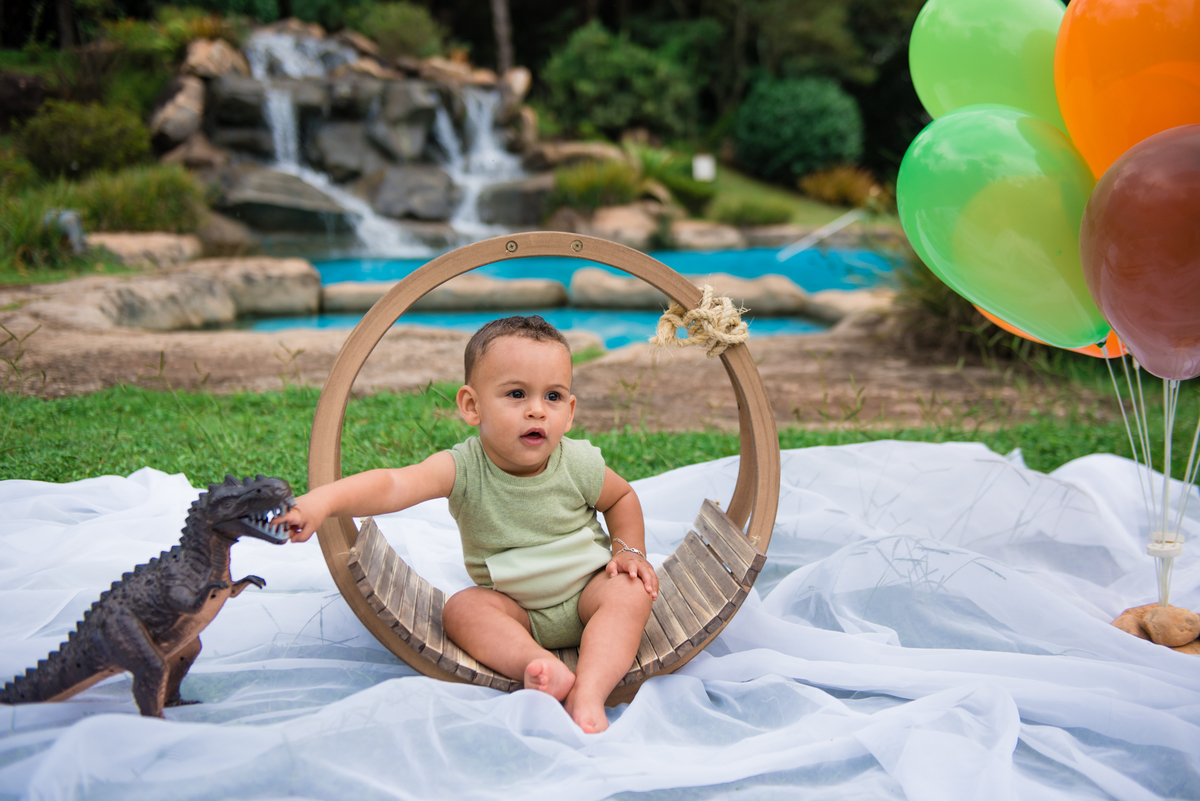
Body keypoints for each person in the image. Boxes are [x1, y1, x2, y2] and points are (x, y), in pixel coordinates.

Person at [278, 315, 658, 733]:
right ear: (472, 406)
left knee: (628, 591)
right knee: (462, 610)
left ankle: (590, 691)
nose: (536, 410)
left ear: (569, 413)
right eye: (516, 394)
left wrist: (628, 551)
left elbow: (622, 497)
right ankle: (540, 665)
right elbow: (393, 483)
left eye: (552, 396)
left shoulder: (578, 462)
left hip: (589, 591)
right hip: (516, 608)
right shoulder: (462, 468)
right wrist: (323, 500)